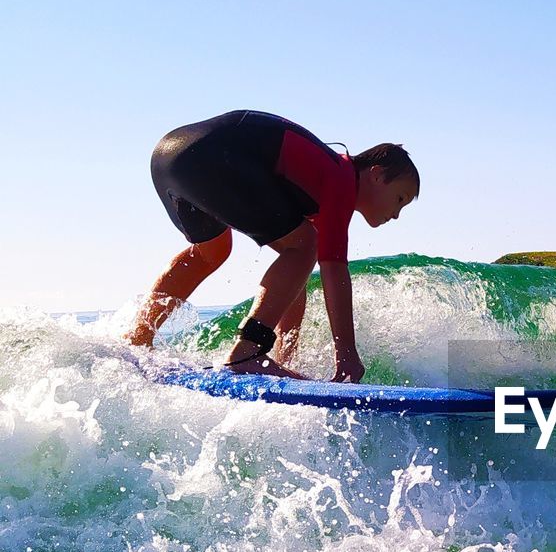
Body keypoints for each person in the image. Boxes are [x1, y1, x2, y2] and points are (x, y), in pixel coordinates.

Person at [126, 109, 419, 381]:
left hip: (170, 156)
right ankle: (248, 353)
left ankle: (136, 341)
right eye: (399, 199)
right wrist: (347, 357)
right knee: (307, 245)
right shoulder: (340, 180)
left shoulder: (316, 180)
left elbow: (295, 278)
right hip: (212, 155)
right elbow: (334, 271)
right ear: (377, 174)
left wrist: (285, 358)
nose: (396, 214)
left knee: (212, 253)